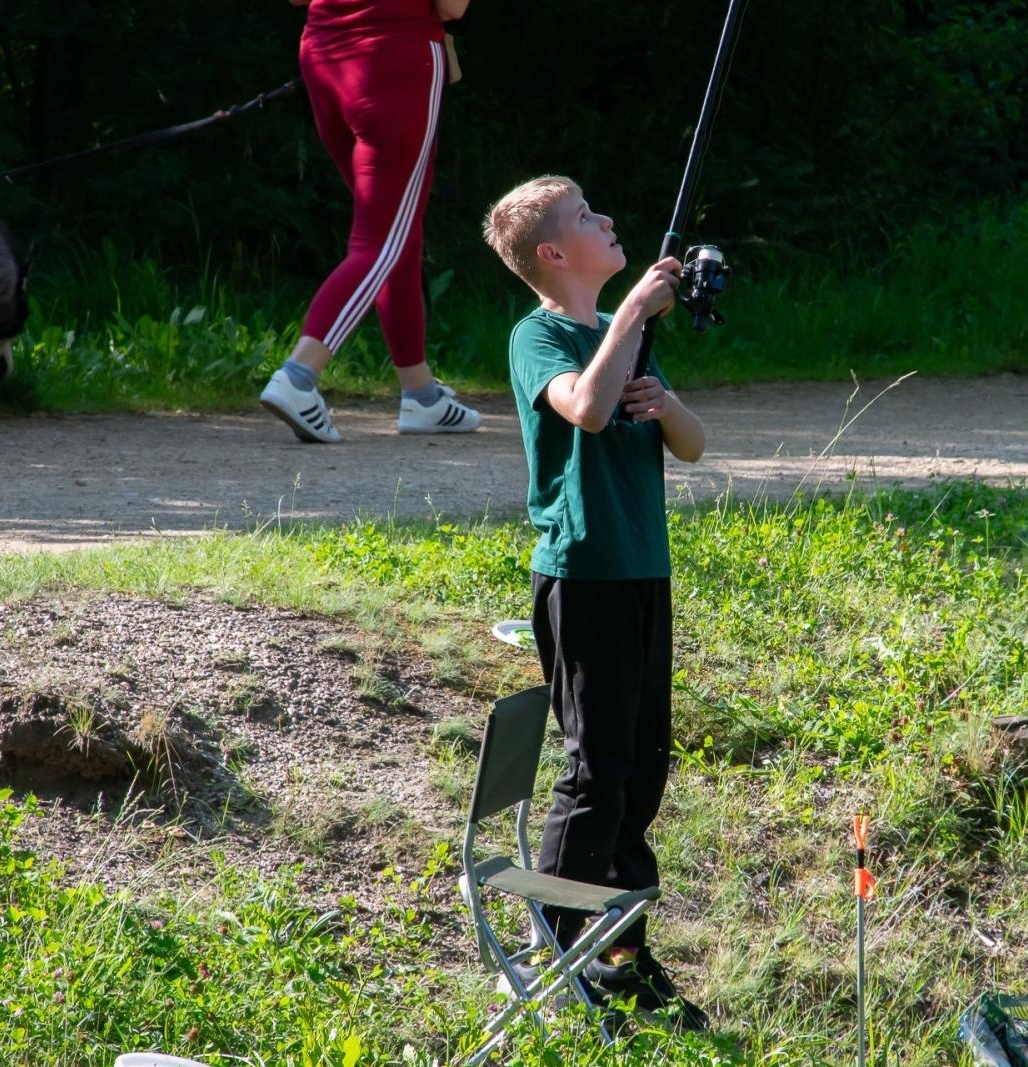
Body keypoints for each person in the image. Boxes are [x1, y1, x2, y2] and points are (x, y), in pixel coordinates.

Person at [481, 176, 709, 1028]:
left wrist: (669, 399)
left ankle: (621, 952)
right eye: (586, 216)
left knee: (644, 762)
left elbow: (690, 445)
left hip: (644, 568)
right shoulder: (539, 335)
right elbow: (585, 407)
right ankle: (554, 948)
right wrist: (631, 321)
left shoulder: (622, 338)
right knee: (595, 765)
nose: (609, 218)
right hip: (583, 574)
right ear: (553, 254)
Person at [260, 0, 481, 443]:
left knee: (398, 231)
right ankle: (298, 376)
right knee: (380, 242)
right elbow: (453, 7)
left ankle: (421, 395)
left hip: (324, 57)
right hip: (396, 59)